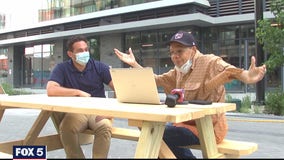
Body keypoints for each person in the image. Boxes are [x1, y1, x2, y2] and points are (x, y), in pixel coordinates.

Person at [113, 31, 266, 159]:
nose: (175, 56)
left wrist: (247, 76)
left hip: (208, 129)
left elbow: (231, 71)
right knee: (150, 130)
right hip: (182, 124)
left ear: (193, 50)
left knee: (155, 135)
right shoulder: (178, 71)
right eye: (172, 52)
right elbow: (154, 80)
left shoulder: (210, 62)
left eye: (179, 51)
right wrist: (134, 64)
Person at [46, 35, 114, 158]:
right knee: (66, 128)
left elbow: (120, 89)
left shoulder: (99, 67)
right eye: (80, 51)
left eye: (86, 50)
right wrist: (77, 92)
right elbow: (51, 89)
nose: (84, 53)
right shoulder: (62, 68)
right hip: (76, 112)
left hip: (98, 111)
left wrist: (111, 112)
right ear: (70, 54)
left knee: (105, 126)